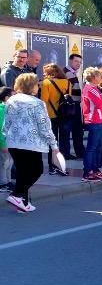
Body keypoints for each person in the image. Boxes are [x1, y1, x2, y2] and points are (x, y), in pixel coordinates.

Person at [3, 73, 59, 212]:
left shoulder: (11, 100)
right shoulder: (37, 103)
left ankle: (23, 203)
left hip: (13, 142)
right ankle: (17, 195)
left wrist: (5, 137)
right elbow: (44, 126)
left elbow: (7, 122)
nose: (38, 87)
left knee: (23, 172)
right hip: (31, 143)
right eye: (37, 84)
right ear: (31, 86)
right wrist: (54, 145)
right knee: (37, 170)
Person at [40, 64, 72, 175]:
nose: (43, 74)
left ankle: (52, 166)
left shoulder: (46, 83)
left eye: (45, 72)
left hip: (51, 115)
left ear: (49, 73)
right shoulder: (67, 82)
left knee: (53, 142)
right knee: (64, 140)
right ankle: (61, 166)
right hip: (65, 115)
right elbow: (68, 98)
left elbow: (44, 100)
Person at [64, 53, 85, 159]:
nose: (78, 64)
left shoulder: (73, 73)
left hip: (75, 104)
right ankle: (73, 152)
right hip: (70, 104)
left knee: (77, 129)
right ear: (70, 61)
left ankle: (79, 151)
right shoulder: (66, 73)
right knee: (72, 129)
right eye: (76, 61)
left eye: (80, 62)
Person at [0, 87, 13, 191]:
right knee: (4, 164)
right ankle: (2, 183)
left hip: (11, 142)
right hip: (4, 142)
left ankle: (8, 181)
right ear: (6, 98)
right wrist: (3, 144)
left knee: (9, 163)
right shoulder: (1, 110)